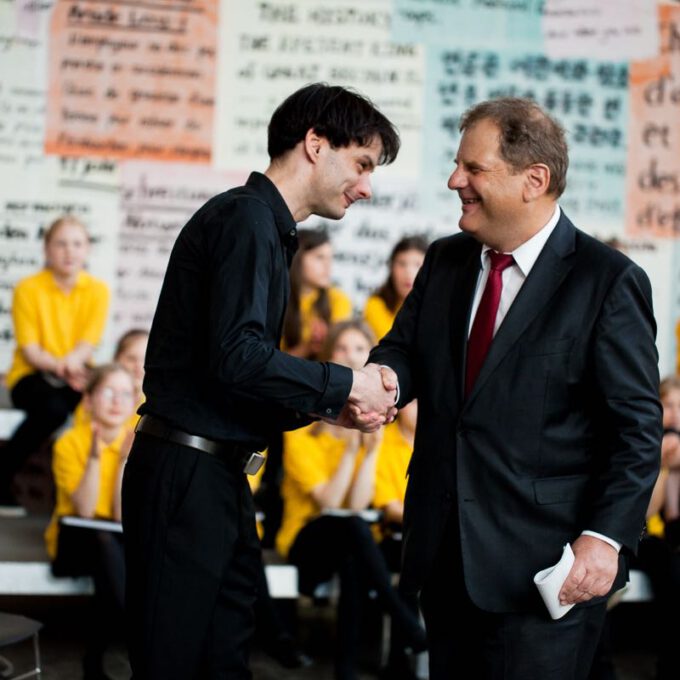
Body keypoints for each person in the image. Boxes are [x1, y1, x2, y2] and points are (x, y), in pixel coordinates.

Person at [368, 97, 662, 680]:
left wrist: (604, 538)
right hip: (444, 558)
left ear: (535, 180)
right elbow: (404, 351)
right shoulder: (445, 260)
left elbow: (636, 431)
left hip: (548, 572)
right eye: (458, 165)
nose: (455, 181)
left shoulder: (608, 281)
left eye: (473, 169)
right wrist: (381, 381)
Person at [121, 83, 401, 680]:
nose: (367, 186)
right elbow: (238, 358)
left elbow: (239, 380)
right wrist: (345, 384)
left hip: (216, 477)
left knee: (222, 661)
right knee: (173, 666)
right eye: (362, 164)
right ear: (315, 144)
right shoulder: (247, 219)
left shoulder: (265, 229)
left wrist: (333, 408)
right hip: (187, 476)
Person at [277, 320, 425, 680]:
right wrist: (348, 452)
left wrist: (369, 452)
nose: (350, 356)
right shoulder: (302, 429)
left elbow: (357, 506)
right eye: (341, 348)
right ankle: (405, 621)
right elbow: (330, 503)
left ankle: (345, 671)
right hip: (305, 539)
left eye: (359, 349)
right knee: (353, 532)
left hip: (350, 541)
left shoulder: (374, 426)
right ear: (327, 356)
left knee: (354, 554)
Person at [0, 215, 110, 514]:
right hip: (31, 375)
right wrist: (65, 367)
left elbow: (88, 343)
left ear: (87, 249)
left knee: (98, 404)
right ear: (46, 249)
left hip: (76, 374)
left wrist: (73, 368)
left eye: (77, 244)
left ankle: (89, 494)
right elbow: (31, 349)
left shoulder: (98, 290)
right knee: (52, 409)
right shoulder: (28, 288)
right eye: (60, 243)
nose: (69, 251)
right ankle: (3, 476)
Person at [46, 363, 136, 679]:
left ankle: (93, 661)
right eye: (108, 392)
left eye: (126, 394)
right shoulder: (69, 442)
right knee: (104, 543)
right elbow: (83, 511)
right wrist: (96, 457)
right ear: (88, 399)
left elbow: (122, 516)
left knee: (110, 554)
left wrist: (125, 460)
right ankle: (137, 629)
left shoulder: (138, 447)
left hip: (116, 541)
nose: (117, 401)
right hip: (74, 541)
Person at [282, 228, 352, 359]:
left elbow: (340, 358)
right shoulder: (277, 299)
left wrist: (327, 342)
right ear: (298, 258)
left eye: (330, 259)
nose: (328, 266)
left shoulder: (338, 299)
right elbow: (267, 361)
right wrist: (307, 347)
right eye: (320, 257)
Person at [363, 236, 427, 342]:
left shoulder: (438, 307)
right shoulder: (375, 304)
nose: (409, 273)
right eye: (402, 264)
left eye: (418, 265)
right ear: (391, 268)